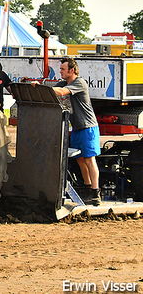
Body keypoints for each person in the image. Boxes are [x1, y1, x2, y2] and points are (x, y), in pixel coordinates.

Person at [52, 57, 101, 206]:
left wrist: (45, 89)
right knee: (80, 159)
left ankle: (95, 192)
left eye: (62, 69)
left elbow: (61, 92)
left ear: (71, 71)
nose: (60, 72)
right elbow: (53, 86)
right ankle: (87, 187)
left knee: (89, 159)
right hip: (77, 128)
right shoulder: (64, 83)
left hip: (88, 128)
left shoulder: (79, 83)